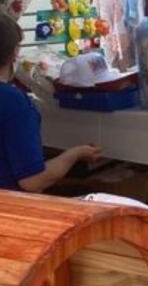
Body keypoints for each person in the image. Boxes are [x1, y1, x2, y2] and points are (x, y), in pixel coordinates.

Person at [0, 14, 102, 192]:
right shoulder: (13, 102)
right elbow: (34, 181)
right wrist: (75, 154)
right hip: (12, 210)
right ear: (15, 51)